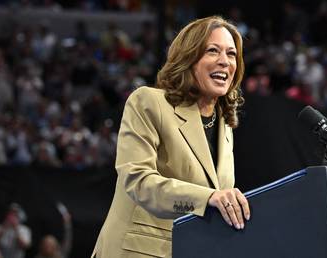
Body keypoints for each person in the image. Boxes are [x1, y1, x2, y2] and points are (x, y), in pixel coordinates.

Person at [92, 16, 250, 258]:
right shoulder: (148, 102)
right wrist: (209, 197)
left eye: (231, 54)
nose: (224, 62)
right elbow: (138, 181)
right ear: (189, 58)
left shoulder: (224, 125)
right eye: (212, 51)